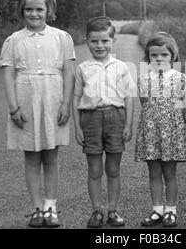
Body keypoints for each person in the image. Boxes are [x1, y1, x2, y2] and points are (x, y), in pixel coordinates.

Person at [0, 0, 75, 228]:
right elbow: (9, 74)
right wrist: (13, 107)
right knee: (31, 157)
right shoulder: (13, 40)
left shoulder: (62, 38)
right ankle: (36, 208)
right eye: (29, 9)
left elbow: (68, 73)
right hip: (26, 101)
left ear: (48, 11)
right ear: (22, 10)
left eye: (39, 10)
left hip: (53, 100)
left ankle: (51, 207)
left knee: (51, 156)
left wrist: (66, 104)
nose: (34, 14)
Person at [73, 16, 135, 228]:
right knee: (94, 170)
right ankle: (97, 211)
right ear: (87, 41)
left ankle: (112, 210)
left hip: (115, 118)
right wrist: (77, 127)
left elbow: (128, 97)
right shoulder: (82, 69)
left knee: (114, 169)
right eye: (94, 41)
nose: (100, 46)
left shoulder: (122, 67)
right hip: (90, 120)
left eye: (104, 41)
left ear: (113, 41)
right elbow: (75, 98)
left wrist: (128, 125)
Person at [135, 32, 186, 227]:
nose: (159, 59)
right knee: (153, 172)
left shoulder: (180, 78)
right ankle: (156, 210)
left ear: (173, 56)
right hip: (151, 131)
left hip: (172, 131)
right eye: (154, 55)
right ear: (148, 57)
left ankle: (171, 210)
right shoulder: (143, 79)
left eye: (164, 55)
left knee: (170, 173)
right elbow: (145, 103)